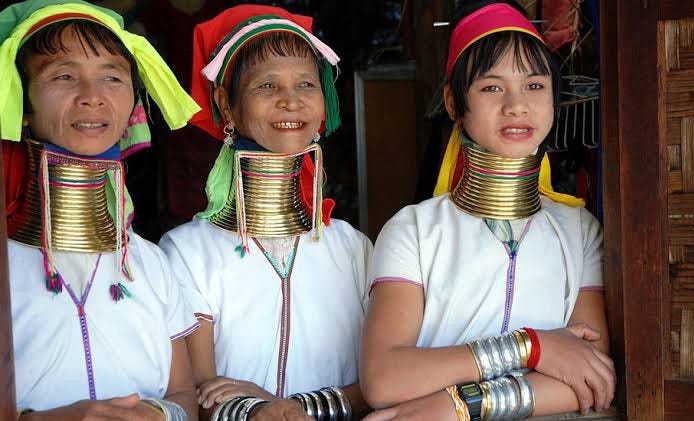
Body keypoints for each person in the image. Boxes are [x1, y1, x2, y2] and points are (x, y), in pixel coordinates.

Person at [359, 1, 615, 419]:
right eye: (492, 87)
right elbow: (385, 379)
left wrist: (456, 405)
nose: (517, 105)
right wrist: (534, 346)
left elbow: (593, 378)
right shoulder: (413, 231)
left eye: (534, 86)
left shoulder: (580, 231)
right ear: (454, 102)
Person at [159, 5, 371, 420]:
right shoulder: (187, 251)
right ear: (227, 104)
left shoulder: (352, 247)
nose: (290, 101)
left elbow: (381, 381)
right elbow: (198, 391)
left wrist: (291, 407)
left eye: (306, 84)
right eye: (267, 85)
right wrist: (259, 410)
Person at [0, 1, 202, 419]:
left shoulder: (150, 262)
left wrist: (158, 414)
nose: (92, 96)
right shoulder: (7, 261)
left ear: (133, 104)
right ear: (20, 106)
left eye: (112, 77)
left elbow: (184, 393)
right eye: (64, 75)